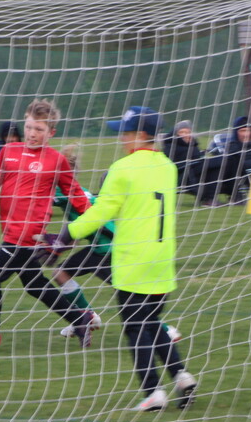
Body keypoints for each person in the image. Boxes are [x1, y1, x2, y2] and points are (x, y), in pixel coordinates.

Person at [58, 107, 197, 412]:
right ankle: (182, 376)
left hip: (134, 260)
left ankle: (153, 392)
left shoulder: (122, 168)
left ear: (142, 135)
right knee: (152, 321)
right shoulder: (167, 166)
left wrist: (68, 233)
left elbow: (101, 211)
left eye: (126, 132)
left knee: (135, 327)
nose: (121, 137)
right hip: (163, 259)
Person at [0, 99, 97, 352]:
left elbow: (76, 194)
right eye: (29, 127)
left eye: (39, 129)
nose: (32, 133)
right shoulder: (9, 151)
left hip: (27, 236)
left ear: (51, 132)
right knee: (34, 284)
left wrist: (96, 221)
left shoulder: (56, 161)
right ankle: (80, 319)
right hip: (11, 232)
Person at [47, 145, 181, 344]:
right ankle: (85, 316)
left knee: (131, 295)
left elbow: (40, 200)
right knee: (62, 273)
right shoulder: (78, 191)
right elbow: (81, 228)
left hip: (106, 249)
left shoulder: (62, 191)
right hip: (101, 247)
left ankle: (165, 330)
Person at [197, 116, 251, 206]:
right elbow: (239, 162)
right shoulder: (233, 147)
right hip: (250, 171)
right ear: (236, 133)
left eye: (248, 130)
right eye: (243, 131)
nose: (246, 134)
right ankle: (223, 197)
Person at [161, 120, 204, 192]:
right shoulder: (170, 146)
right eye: (181, 132)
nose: (185, 135)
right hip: (179, 175)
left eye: (188, 132)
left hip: (195, 171)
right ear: (175, 133)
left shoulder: (193, 145)